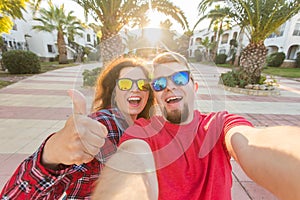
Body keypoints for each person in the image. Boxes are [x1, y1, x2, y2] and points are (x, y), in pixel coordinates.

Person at [92, 52, 300, 200]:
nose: (170, 86)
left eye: (179, 78)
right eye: (159, 84)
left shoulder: (219, 124)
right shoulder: (143, 131)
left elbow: (251, 144)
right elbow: (131, 162)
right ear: (154, 96)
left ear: (195, 86)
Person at [0, 57, 155, 199]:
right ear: (113, 91)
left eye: (143, 84)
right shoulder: (104, 125)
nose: (136, 89)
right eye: (125, 83)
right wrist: (51, 156)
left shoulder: (144, 127)